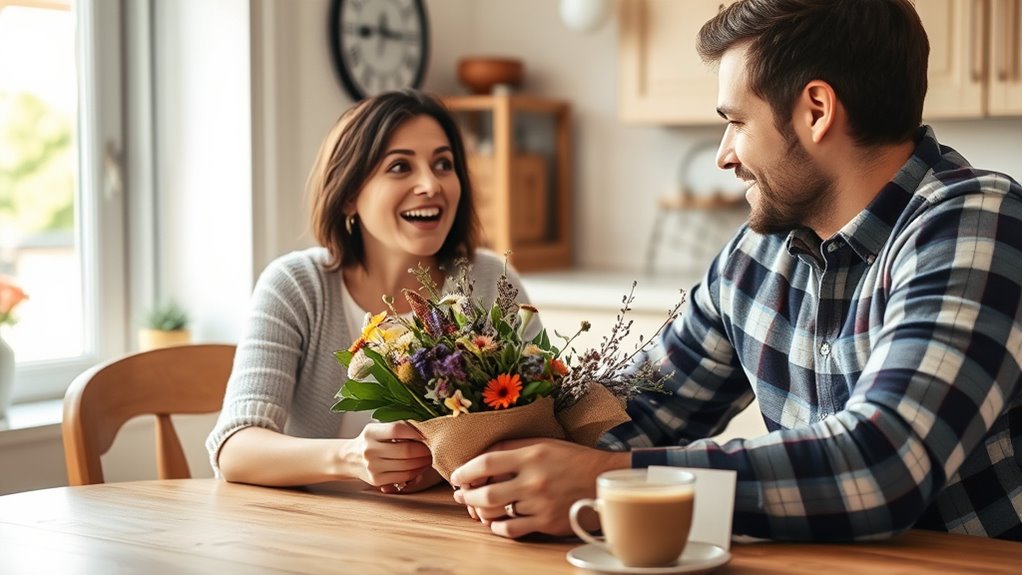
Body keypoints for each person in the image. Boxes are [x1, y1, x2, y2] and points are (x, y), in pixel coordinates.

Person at [451, 0, 1022, 542]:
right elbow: (639, 407)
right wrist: (455, 441)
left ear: (816, 112)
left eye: (737, 121)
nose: (724, 154)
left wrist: (613, 483)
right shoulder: (756, 254)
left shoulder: (977, 221)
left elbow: (885, 464)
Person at [207, 89, 532, 493]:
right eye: (400, 167)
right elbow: (235, 448)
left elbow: (542, 429)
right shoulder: (295, 286)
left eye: (443, 164)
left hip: (447, 536)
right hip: (306, 540)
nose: (431, 184)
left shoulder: (491, 283)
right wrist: (350, 458)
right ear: (347, 196)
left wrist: (441, 465)